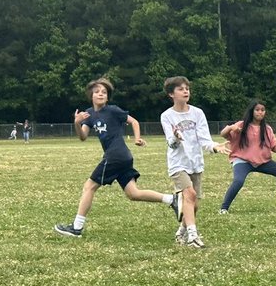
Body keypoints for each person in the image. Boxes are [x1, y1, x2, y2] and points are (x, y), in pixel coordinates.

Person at [53, 77, 183, 239]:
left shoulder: (113, 110)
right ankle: (172, 199)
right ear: (91, 96)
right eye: (97, 92)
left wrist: (137, 138)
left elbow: (134, 121)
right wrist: (77, 123)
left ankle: (76, 228)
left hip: (116, 155)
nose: (101, 94)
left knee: (89, 187)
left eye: (104, 92)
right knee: (133, 193)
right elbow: (82, 137)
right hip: (122, 158)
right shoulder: (89, 114)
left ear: (107, 97)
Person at [161, 76, 229, 248]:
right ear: (171, 94)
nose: (185, 91)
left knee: (194, 204)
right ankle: (193, 236)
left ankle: (181, 231)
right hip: (178, 164)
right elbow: (171, 143)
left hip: (195, 163)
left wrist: (214, 147)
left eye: (187, 88)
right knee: (189, 195)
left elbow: (204, 139)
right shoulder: (167, 116)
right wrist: (176, 137)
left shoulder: (197, 113)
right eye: (180, 89)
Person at [218, 100, 276, 214]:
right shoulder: (241, 125)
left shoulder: (267, 129)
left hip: (263, 162)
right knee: (238, 181)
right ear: (252, 111)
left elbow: (274, 148)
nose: (260, 112)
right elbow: (223, 134)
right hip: (243, 160)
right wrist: (230, 128)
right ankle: (224, 208)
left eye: (262, 110)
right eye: (257, 110)